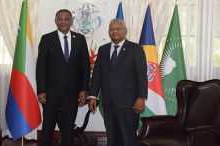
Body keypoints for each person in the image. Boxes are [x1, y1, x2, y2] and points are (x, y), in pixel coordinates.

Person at [88, 18, 148, 146]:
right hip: (109, 102)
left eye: (118, 29)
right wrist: (93, 96)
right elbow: (97, 75)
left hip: (128, 102)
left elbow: (141, 76)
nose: (115, 32)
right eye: (112, 29)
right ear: (109, 32)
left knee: (128, 137)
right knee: (112, 136)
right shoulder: (103, 49)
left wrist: (141, 97)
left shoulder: (136, 49)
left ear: (125, 31)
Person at [36, 9, 90, 146]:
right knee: (48, 126)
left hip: (72, 92)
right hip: (51, 92)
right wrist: (41, 90)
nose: (63, 22)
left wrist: (84, 89)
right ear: (55, 21)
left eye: (66, 19)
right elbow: (41, 67)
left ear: (71, 21)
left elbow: (85, 66)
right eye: (60, 19)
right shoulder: (47, 39)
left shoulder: (80, 39)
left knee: (68, 127)